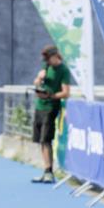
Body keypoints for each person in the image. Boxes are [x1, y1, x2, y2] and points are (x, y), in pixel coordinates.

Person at [31, 45, 71, 184]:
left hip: (51, 107)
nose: (47, 61)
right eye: (45, 59)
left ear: (55, 56)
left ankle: (49, 172)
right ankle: (46, 170)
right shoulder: (46, 65)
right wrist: (39, 79)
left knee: (46, 139)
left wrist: (51, 96)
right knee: (41, 140)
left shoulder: (63, 70)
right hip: (39, 106)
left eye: (49, 58)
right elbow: (36, 83)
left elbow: (66, 92)